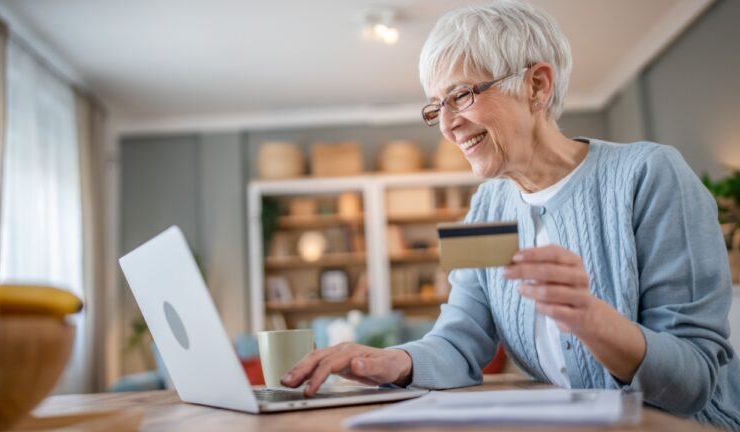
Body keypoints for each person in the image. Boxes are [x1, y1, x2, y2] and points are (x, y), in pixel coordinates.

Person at [281, 0, 740, 427]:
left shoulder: (650, 175)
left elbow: (694, 380)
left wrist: (590, 319)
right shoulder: (484, 209)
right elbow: (459, 341)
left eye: (461, 95)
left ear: (537, 85)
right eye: (437, 106)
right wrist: (391, 361)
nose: (446, 124)